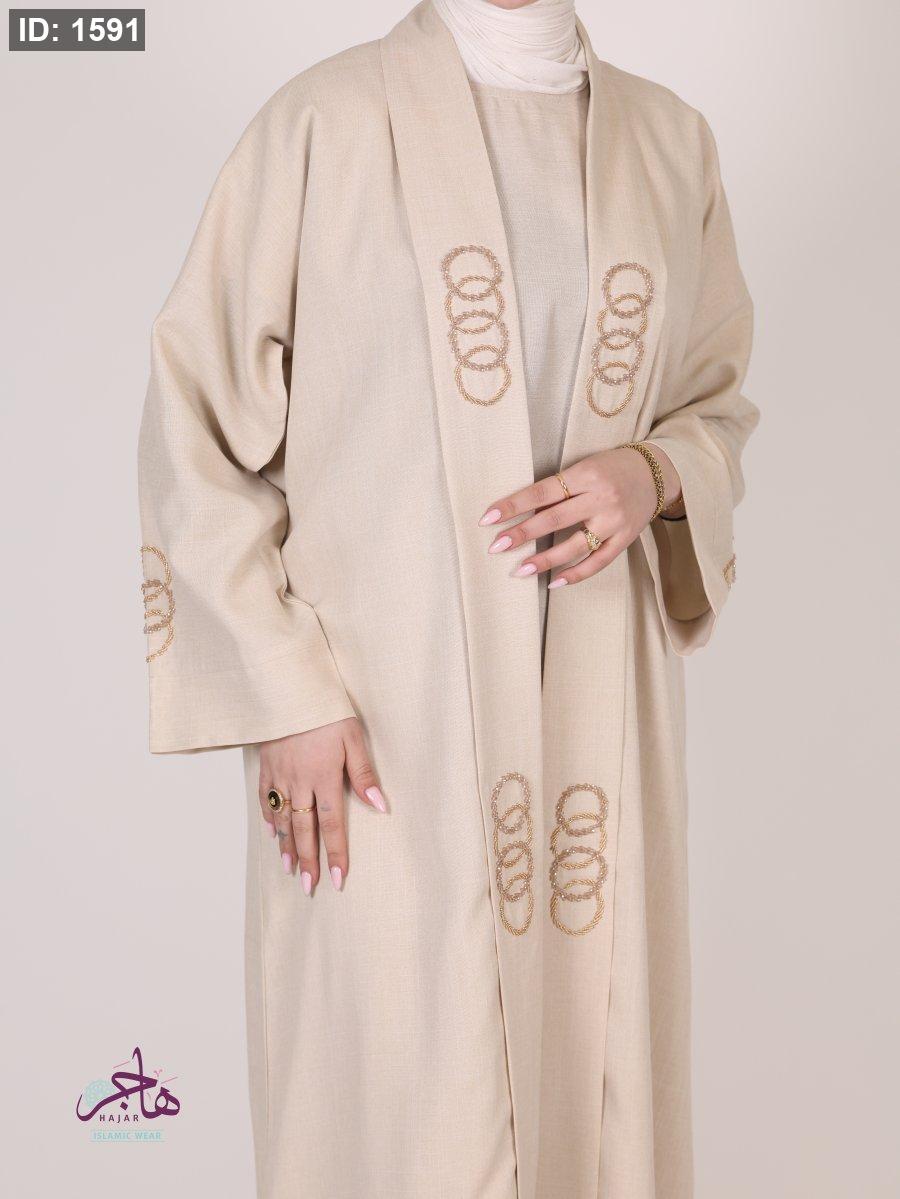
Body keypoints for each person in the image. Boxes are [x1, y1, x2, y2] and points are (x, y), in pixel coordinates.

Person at [137, 1, 757, 1194]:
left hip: (600, 732)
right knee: (408, 1102)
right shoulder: (322, 124)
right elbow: (193, 426)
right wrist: (285, 695)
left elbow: (716, 401)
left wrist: (654, 472)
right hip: (384, 730)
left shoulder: (670, 143)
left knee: (599, 1094)